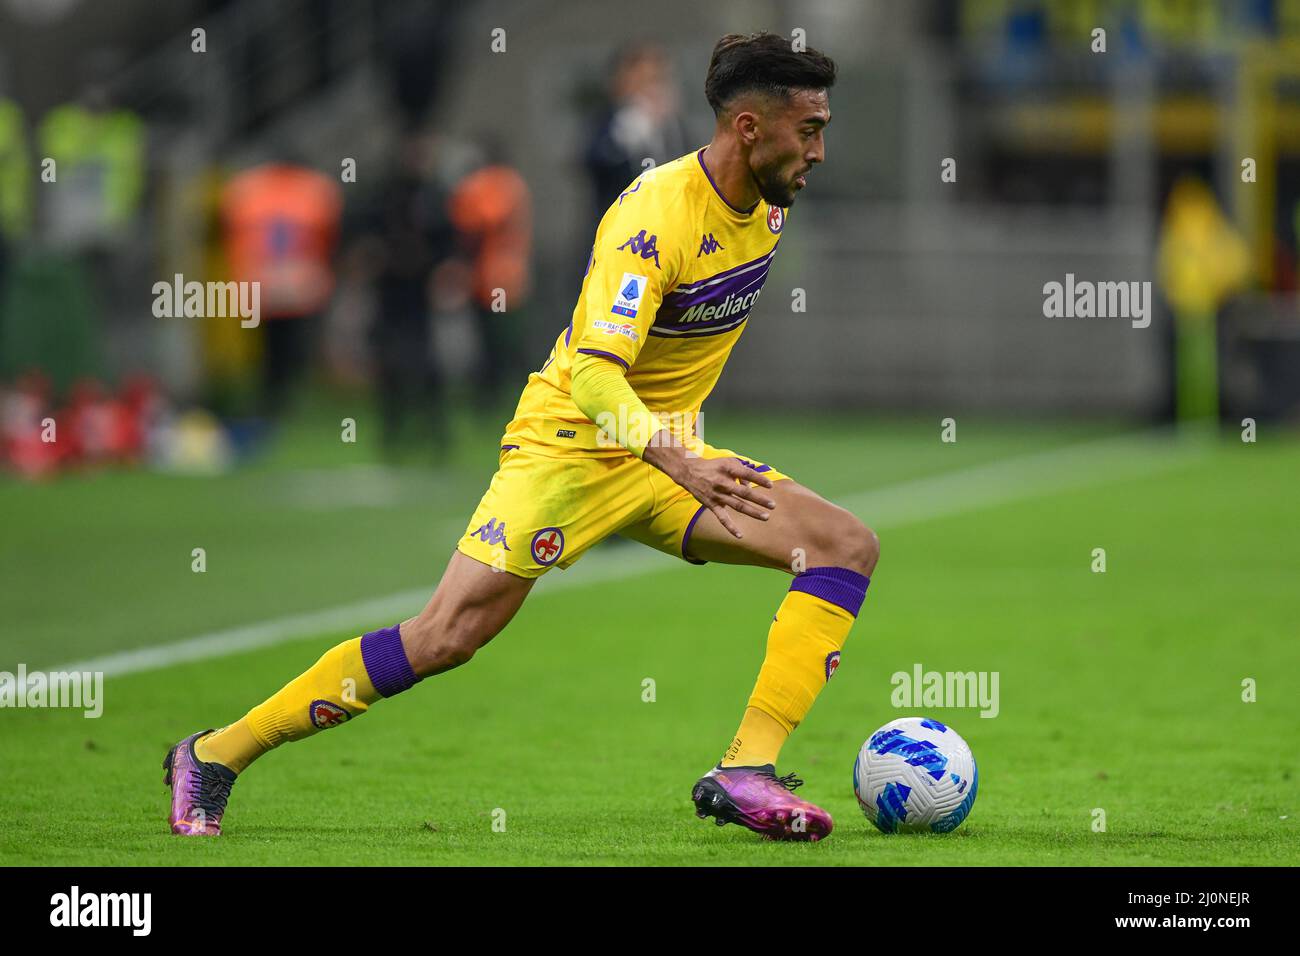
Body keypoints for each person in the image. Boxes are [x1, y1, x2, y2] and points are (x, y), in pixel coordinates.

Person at [165, 33, 875, 843]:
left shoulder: (772, 199)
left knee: (841, 546)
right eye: (809, 128)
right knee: (445, 638)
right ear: (749, 127)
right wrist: (680, 457)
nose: (819, 149)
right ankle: (214, 754)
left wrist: (677, 455)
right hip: (571, 448)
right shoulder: (654, 216)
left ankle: (744, 769)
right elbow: (596, 376)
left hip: (665, 458)